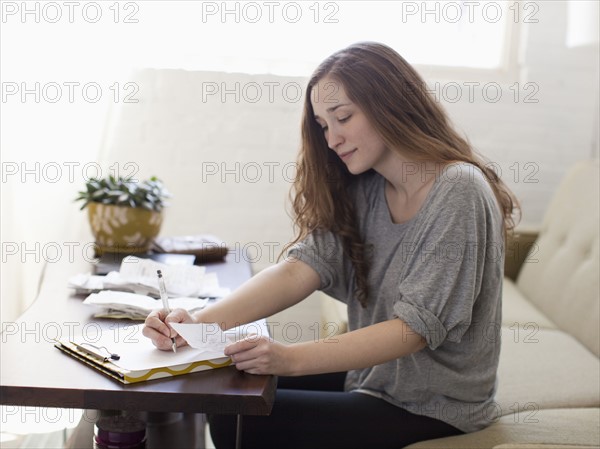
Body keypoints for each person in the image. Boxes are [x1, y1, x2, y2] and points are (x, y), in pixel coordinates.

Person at [143, 41, 519, 448]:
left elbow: (413, 331)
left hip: (434, 405)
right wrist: (199, 323)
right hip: (378, 380)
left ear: (389, 104)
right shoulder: (368, 186)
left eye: (343, 117)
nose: (332, 137)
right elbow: (300, 268)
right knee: (227, 388)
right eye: (323, 125)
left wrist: (288, 357)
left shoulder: (458, 190)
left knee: (240, 421)